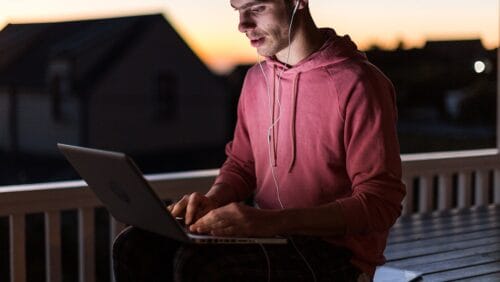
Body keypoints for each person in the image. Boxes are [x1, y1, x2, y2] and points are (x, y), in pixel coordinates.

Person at [112, 0, 406, 281]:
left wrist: (272, 221)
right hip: (268, 236)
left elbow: (381, 203)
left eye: (257, 8)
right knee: (135, 245)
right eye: (238, 10)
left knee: (198, 265)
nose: (243, 24)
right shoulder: (256, 80)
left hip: (336, 256)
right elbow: (242, 165)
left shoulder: (359, 83)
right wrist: (212, 200)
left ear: (298, 2)